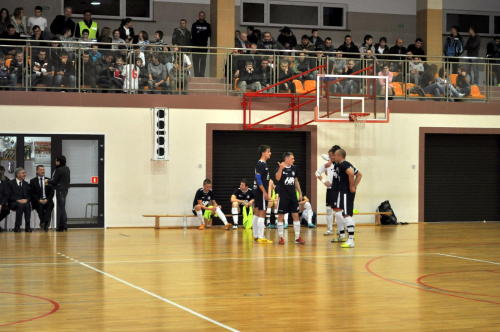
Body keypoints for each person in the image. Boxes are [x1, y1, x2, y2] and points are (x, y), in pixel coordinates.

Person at [333, 149, 362, 248]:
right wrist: (354, 185)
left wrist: (351, 186)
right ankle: (350, 239)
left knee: (347, 215)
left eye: (335, 155)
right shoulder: (348, 164)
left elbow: (351, 174)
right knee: (346, 214)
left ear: (340, 156)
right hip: (345, 193)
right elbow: (359, 174)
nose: (334, 157)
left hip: (345, 192)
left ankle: (350, 240)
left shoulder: (343, 165)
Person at [275, 152, 305, 245]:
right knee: (281, 216)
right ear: (287, 159)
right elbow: (277, 178)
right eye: (292, 158)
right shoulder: (280, 167)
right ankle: (281, 237)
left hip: (293, 196)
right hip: (284, 196)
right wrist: (280, 168)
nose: (293, 160)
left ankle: (297, 237)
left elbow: (296, 180)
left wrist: (300, 193)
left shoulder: (294, 168)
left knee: (296, 215)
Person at [315, 146, 341, 236]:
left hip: (339, 190)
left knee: (338, 211)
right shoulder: (327, 163)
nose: (329, 157)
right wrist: (324, 181)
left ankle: (340, 229)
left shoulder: (341, 164)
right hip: (330, 190)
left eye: (331, 155)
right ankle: (330, 229)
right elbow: (317, 173)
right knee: (329, 210)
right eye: (329, 155)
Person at [253, 145, 273, 243]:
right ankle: (261, 237)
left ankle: (255, 235)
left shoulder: (263, 164)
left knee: (257, 213)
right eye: (268, 151)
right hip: (260, 191)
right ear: (263, 153)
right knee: (262, 212)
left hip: (258, 191)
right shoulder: (261, 164)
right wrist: (264, 192)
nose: (270, 153)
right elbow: (258, 178)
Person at [48, 155, 70, 232]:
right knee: (62, 207)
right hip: (65, 189)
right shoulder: (67, 168)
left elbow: (54, 181)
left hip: (60, 189)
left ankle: (64, 225)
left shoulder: (59, 170)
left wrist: (47, 181)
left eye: (56, 160)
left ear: (59, 162)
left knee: (61, 208)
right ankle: (61, 225)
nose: (55, 162)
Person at [30, 165, 54, 232]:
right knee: (40, 206)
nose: (42, 171)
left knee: (49, 205)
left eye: (43, 170)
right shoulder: (33, 181)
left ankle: (44, 222)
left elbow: (52, 192)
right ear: (37, 171)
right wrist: (39, 200)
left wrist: (47, 199)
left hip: (47, 200)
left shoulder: (48, 180)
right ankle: (45, 222)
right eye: (40, 170)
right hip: (37, 201)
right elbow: (32, 193)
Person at [7, 167, 31, 232]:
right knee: (20, 205)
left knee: (27, 205)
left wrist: (26, 200)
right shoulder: (10, 183)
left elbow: (29, 196)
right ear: (18, 174)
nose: (25, 174)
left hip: (24, 202)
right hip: (13, 203)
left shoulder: (26, 184)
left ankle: (27, 226)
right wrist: (17, 200)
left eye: (25, 173)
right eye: (23, 173)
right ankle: (17, 226)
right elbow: (8, 196)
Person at [191, 12, 211, 77]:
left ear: (205, 16)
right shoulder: (194, 24)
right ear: (199, 16)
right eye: (200, 15)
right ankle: (196, 75)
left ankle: (202, 75)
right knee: (195, 62)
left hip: (204, 47)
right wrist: (203, 33)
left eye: (203, 16)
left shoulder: (208, 25)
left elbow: (209, 34)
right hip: (195, 47)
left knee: (203, 62)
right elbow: (193, 34)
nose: (201, 17)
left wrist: (199, 32)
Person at [0, 165, 11, 232]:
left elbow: (6, 195)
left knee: (6, 210)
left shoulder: (5, 183)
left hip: (1, 203)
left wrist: (1, 204)